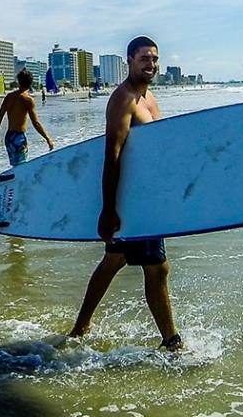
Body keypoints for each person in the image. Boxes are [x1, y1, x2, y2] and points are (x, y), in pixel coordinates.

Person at [67, 35, 182, 352]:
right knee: (157, 268)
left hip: (146, 197)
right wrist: (108, 209)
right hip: (131, 201)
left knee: (115, 259)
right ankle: (172, 343)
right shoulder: (124, 99)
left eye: (155, 58)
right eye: (144, 58)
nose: (151, 64)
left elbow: (155, 151)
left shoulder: (150, 100)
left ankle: (80, 327)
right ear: (129, 60)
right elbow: (112, 154)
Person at [0, 69, 55, 166]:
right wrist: (47, 138)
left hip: (9, 137)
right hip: (19, 137)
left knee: (15, 165)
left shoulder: (9, 97)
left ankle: (13, 180)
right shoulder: (28, 100)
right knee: (21, 167)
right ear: (30, 83)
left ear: (18, 81)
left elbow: (0, 116)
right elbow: (36, 123)